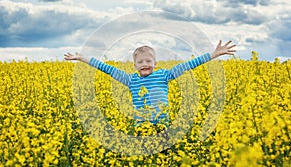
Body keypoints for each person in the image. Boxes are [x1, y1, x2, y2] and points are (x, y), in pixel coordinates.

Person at [64, 40, 236, 127]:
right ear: (135, 66)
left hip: (163, 126)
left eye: (148, 61)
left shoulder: (164, 75)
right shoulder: (130, 79)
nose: (144, 64)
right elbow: (106, 68)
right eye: (140, 62)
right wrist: (82, 58)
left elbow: (188, 65)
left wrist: (214, 54)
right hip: (141, 127)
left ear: (156, 64)